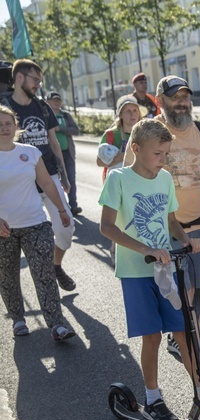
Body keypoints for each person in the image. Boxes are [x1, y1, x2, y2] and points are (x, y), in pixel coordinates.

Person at [99, 118, 200, 420]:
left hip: (165, 267)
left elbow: (171, 220)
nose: (163, 160)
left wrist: (186, 239)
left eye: (166, 154)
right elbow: (106, 227)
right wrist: (144, 249)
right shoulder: (118, 179)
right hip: (136, 271)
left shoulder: (165, 179)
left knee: (185, 329)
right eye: (158, 154)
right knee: (153, 337)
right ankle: (153, 397)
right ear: (136, 148)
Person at [123, 75, 200, 358]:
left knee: (197, 290)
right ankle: (183, 339)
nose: (181, 102)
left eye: (185, 96)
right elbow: (127, 179)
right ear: (160, 101)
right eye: (174, 97)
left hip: (198, 227)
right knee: (178, 294)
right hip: (161, 231)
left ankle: (189, 341)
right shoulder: (147, 133)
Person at [0, 105, 75, 341]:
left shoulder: (30, 152)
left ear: (16, 127)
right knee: (7, 276)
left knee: (44, 274)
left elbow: (46, 183)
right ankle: (18, 319)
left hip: (35, 222)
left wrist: (62, 209)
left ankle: (56, 324)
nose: (4, 128)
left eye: (7, 124)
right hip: (4, 230)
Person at [3, 59, 76, 292]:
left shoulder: (43, 107)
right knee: (16, 236)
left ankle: (56, 265)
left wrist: (64, 176)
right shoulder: (3, 107)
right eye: (35, 79)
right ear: (20, 77)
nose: (38, 84)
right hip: (18, 181)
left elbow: (53, 142)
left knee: (67, 228)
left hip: (49, 175)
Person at [47, 92, 82, 215]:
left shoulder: (65, 115)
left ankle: (73, 205)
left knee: (71, 178)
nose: (57, 102)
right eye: (54, 100)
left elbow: (76, 130)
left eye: (59, 100)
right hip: (53, 155)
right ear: (48, 102)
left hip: (68, 153)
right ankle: (61, 207)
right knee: (56, 181)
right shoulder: (46, 115)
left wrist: (60, 129)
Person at [97, 95, 145, 180]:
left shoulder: (145, 134)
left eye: (135, 110)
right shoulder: (111, 135)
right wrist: (121, 157)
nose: (132, 114)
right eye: (128, 111)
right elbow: (99, 162)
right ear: (121, 115)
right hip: (117, 183)